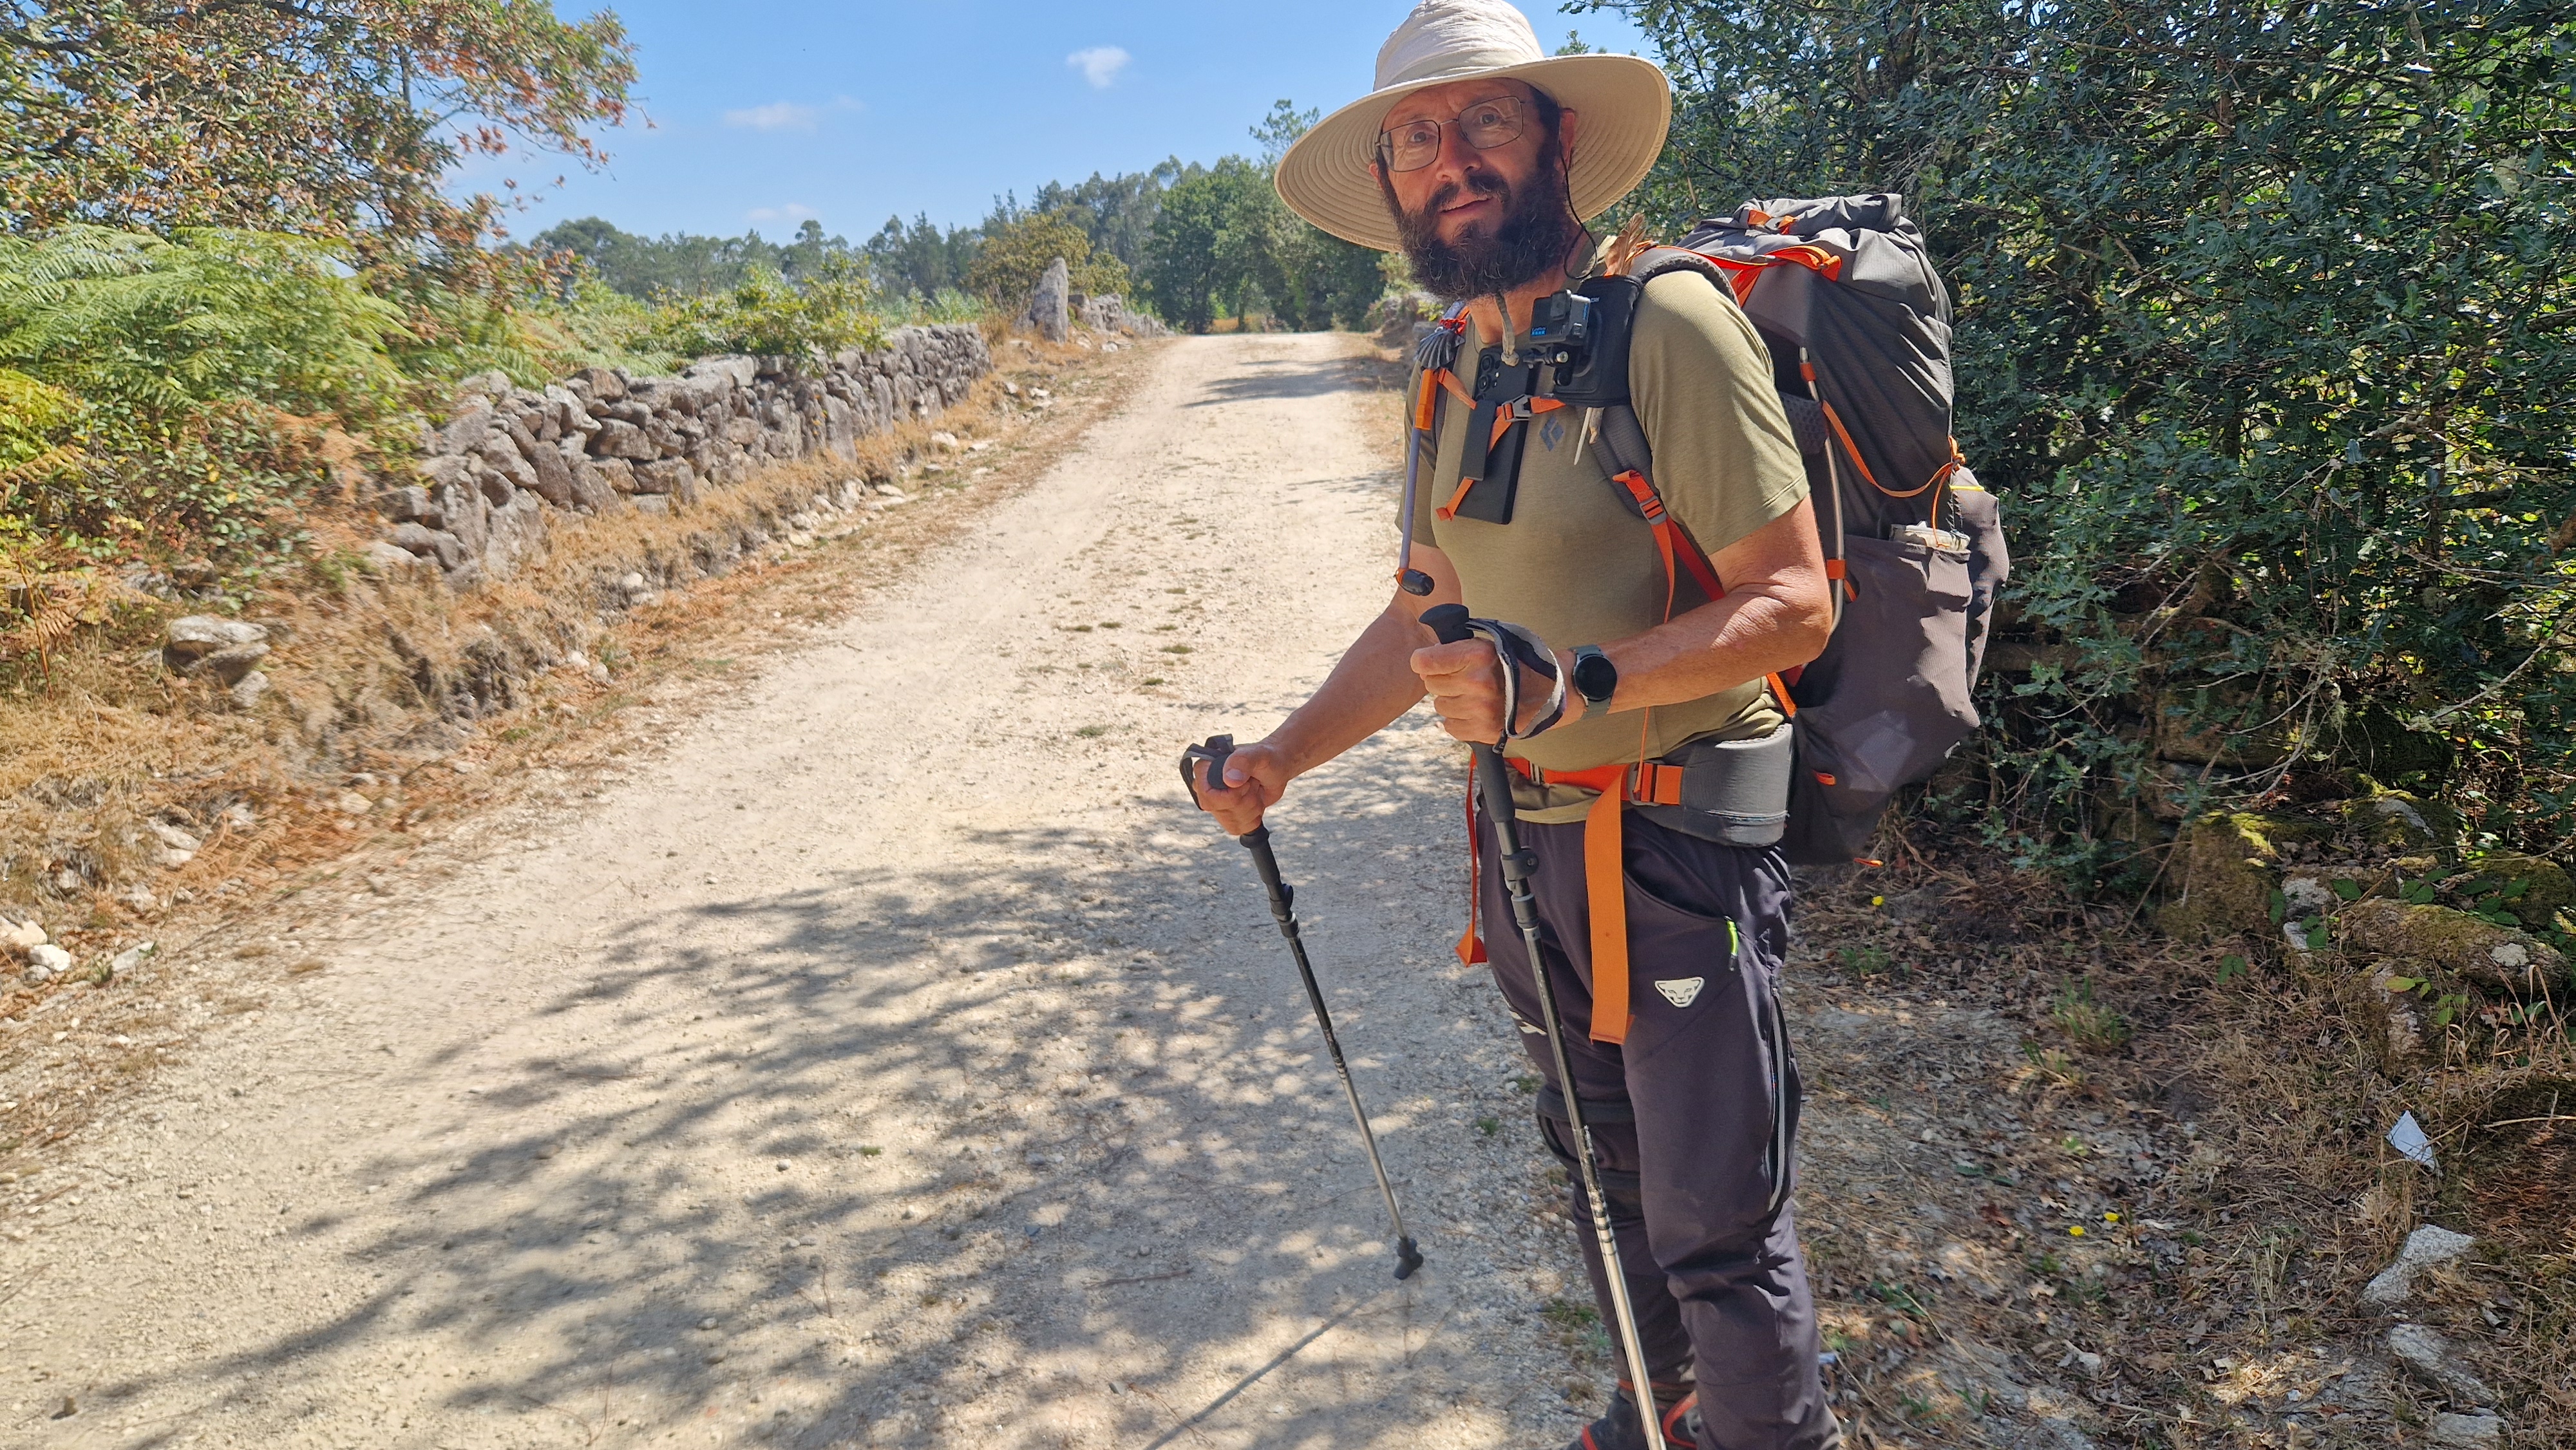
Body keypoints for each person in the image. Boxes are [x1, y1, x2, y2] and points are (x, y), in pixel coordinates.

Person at [1184, 3, 1843, 1447]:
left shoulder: (1670, 325)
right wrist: (1283, 756)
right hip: (1527, 844)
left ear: (1556, 140)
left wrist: (1568, 684)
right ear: (1390, 181)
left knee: (1714, 1216)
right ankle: (1657, 1415)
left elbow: (1794, 604)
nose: (1453, 161)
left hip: (1678, 845)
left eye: (1485, 121)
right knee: (1605, 1176)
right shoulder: (1449, 363)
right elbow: (1425, 613)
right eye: (1417, 138)